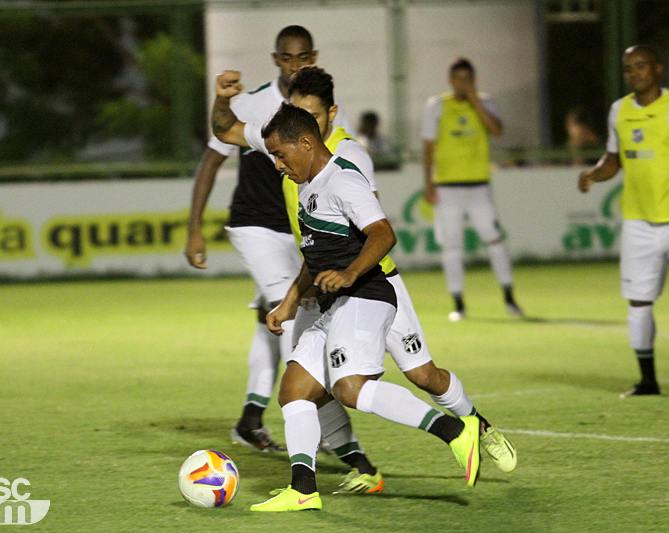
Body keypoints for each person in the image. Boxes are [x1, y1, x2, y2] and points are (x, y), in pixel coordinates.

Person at [212, 65, 516, 479]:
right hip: (324, 281)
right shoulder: (286, 144)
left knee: (421, 375)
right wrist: (222, 97)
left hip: (371, 281)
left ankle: (478, 428)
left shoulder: (346, 158)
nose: (306, 124)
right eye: (296, 111)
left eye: (314, 115)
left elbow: (371, 229)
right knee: (303, 385)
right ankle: (356, 467)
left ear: (331, 114)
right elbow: (226, 128)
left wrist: (348, 272)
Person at [246, 103, 484, 512]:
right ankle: (303, 489)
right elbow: (315, 254)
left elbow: (383, 233)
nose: (278, 165)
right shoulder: (308, 185)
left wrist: (351, 273)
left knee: (350, 388)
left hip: (367, 295)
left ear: (305, 142)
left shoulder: (342, 180)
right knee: (295, 392)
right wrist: (287, 303)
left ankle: (455, 431)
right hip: (336, 303)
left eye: (281, 155)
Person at [185, 25, 348, 452]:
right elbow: (211, 159)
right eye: (288, 58)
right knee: (296, 316)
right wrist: (193, 229)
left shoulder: (324, 110)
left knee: (270, 323)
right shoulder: (255, 103)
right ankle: (330, 433)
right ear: (276, 59)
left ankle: (249, 421)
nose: (296, 66)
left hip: (297, 234)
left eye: (303, 58)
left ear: (313, 57)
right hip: (255, 227)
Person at [578, 44, 669, 398]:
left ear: (658, 69)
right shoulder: (620, 110)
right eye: (629, 68)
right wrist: (595, 174)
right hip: (638, 223)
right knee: (638, 301)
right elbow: (615, 158)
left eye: (641, 66)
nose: (634, 73)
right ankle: (648, 380)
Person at [421, 57, 523, 321]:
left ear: (474, 80)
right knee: (452, 246)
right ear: (450, 81)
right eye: (460, 79)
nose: (464, 84)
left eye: (469, 79)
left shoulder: (485, 102)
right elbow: (428, 146)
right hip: (448, 187)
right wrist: (428, 183)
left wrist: (475, 100)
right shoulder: (437, 106)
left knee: (494, 239)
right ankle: (458, 304)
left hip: (479, 186)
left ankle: (510, 298)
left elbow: (497, 130)